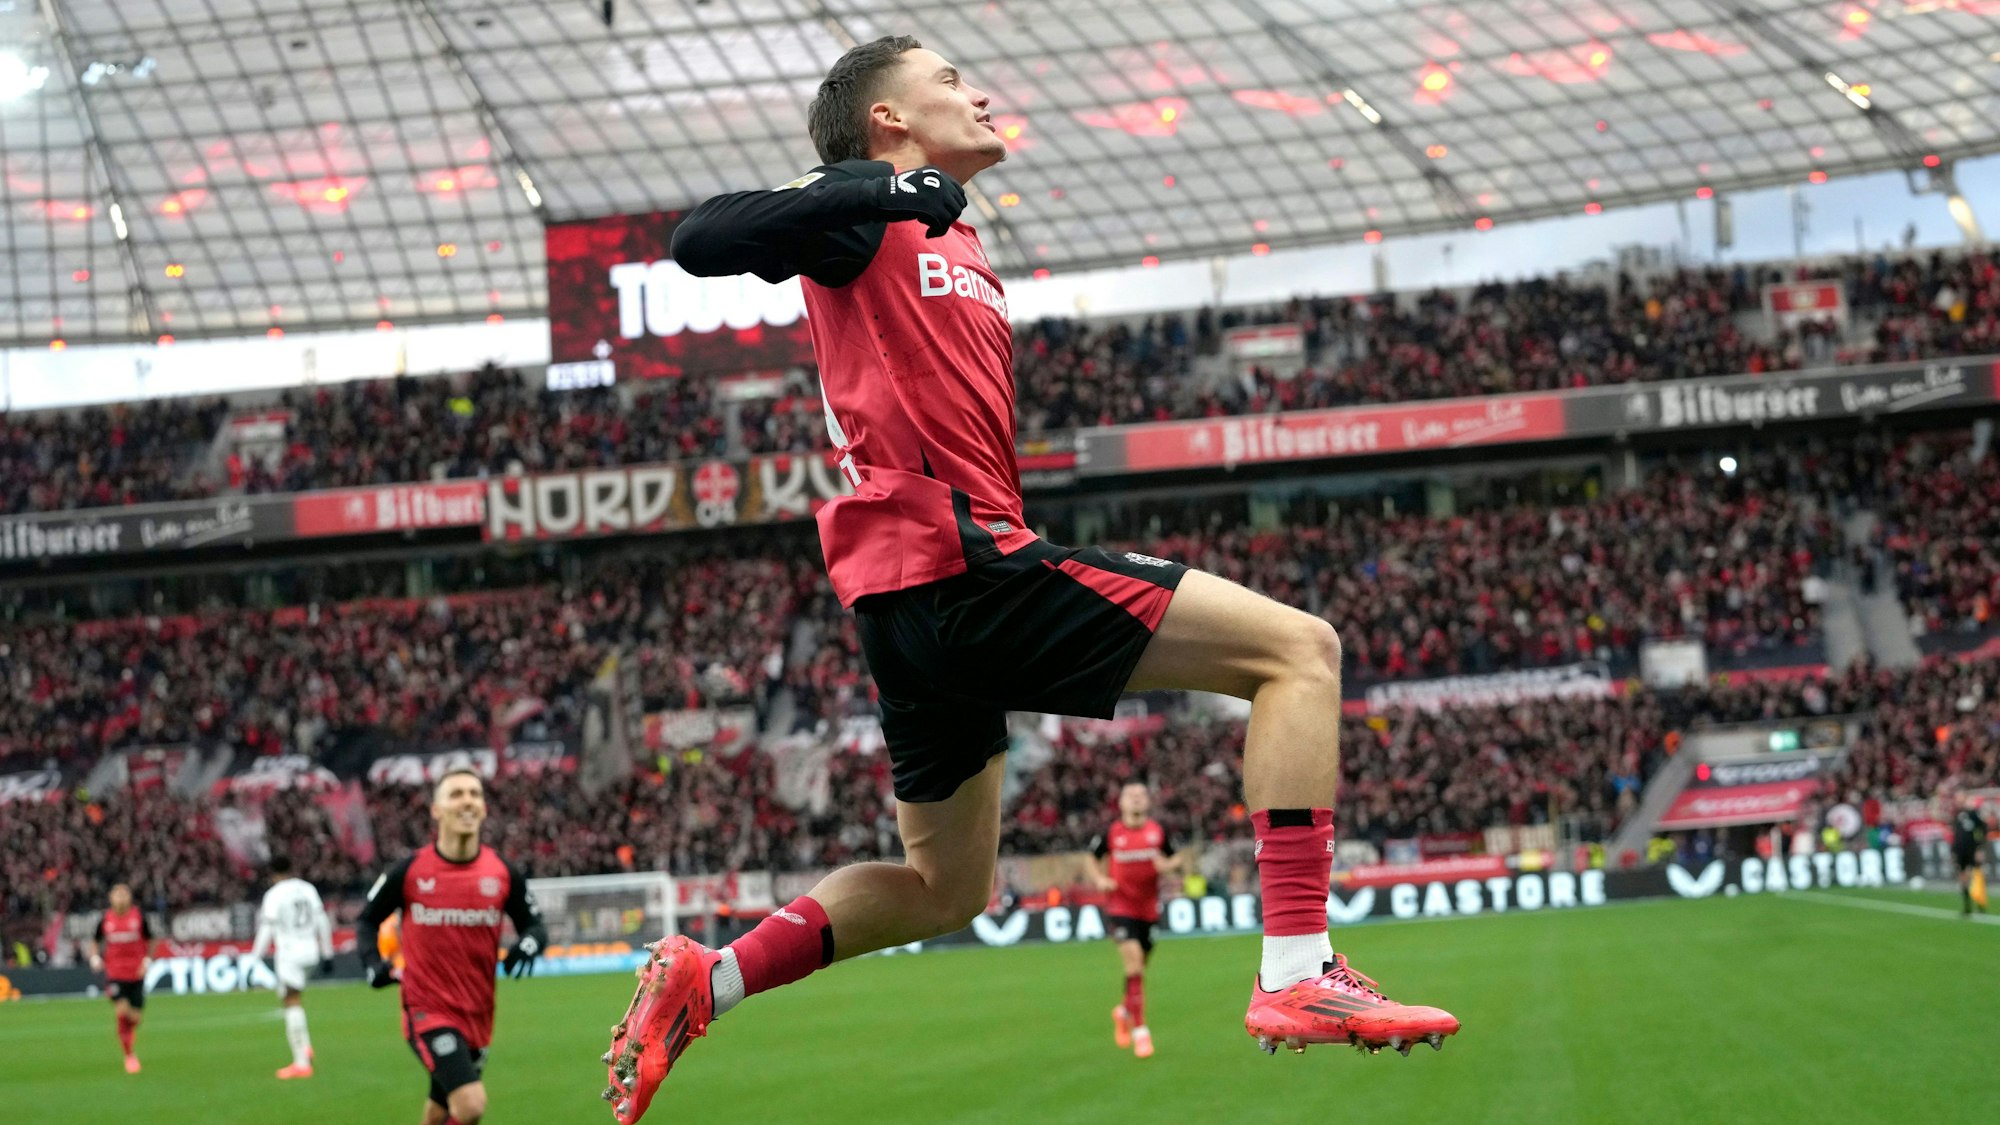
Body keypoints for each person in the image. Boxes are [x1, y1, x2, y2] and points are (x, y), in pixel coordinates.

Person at [601, 35, 1457, 1124]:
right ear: (888, 119)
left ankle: (707, 980)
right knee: (1300, 652)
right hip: (955, 565)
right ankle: (1295, 964)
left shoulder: (946, 232)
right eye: (949, 79)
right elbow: (696, 238)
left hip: (912, 597)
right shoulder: (861, 206)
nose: (979, 90)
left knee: (947, 890)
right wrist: (874, 185)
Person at [358, 769, 547, 1125]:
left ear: (484, 808)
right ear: (437, 809)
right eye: (457, 794)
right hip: (426, 1008)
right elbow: (367, 920)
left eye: (475, 794)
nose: (467, 801)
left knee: (440, 1111)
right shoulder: (410, 870)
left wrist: (529, 942)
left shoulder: (502, 871)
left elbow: (535, 925)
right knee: (470, 1105)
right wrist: (371, 962)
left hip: (478, 1011)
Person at [1082, 781, 1182, 1059]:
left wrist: (1168, 866)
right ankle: (1140, 1031)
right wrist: (1100, 879)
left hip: (1149, 911)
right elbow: (1091, 858)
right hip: (1120, 908)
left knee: (1139, 968)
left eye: (1141, 795)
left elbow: (1178, 860)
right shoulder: (1111, 832)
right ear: (1121, 803)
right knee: (1134, 963)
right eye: (1131, 795)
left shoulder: (1158, 832)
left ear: (1147, 802)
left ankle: (1125, 1010)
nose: (1136, 799)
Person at [251, 854, 335, 1079]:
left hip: (289, 953)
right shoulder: (307, 888)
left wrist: (254, 958)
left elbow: (267, 928)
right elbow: (322, 921)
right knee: (290, 994)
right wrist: (328, 953)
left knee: (291, 1001)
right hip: (311, 951)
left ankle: (301, 1063)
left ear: (272, 874)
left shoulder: (274, 894)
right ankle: (306, 1046)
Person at [83, 883, 156, 1074]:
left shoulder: (139, 917)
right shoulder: (105, 919)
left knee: (136, 1019)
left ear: (130, 897)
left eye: (124, 894)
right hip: (115, 974)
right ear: (111, 898)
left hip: (136, 973)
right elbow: (94, 941)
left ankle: (128, 1031)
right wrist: (95, 957)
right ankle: (129, 1056)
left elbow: (152, 939)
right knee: (121, 1012)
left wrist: (147, 961)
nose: (121, 897)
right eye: (117, 894)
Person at [1951, 794, 1990, 916]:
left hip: (1972, 850)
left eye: (1961, 797)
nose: (1959, 800)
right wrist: (1954, 851)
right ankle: (1967, 906)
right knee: (1963, 878)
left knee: (1976, 876)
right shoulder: (1957, 815)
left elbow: (1983, 828)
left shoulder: (1973, 813)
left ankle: (1980, 904)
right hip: (1960, 851)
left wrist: (1979, 847)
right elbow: (1956, 835)